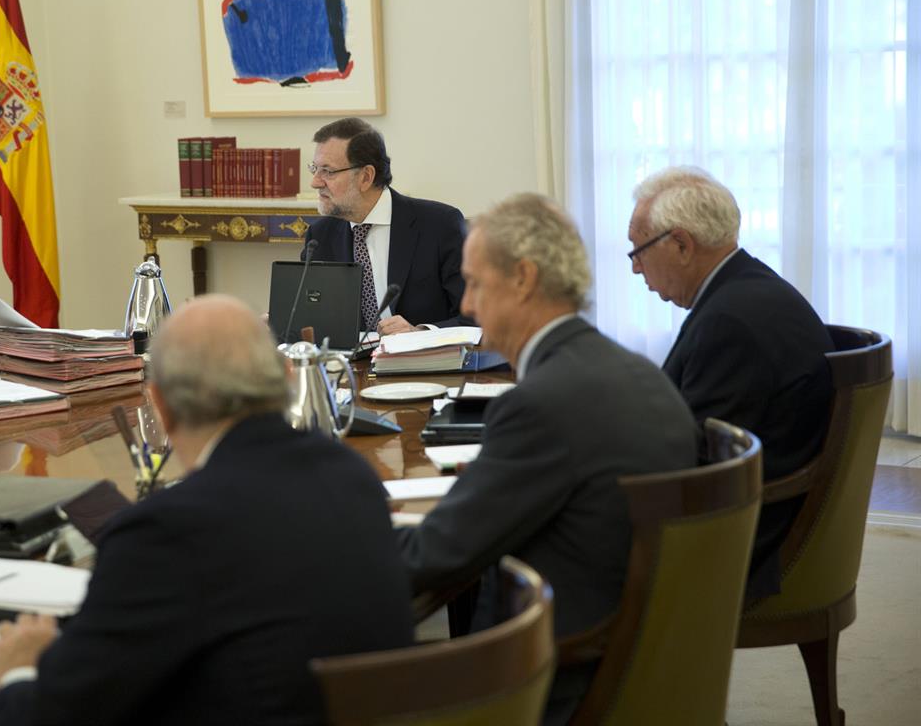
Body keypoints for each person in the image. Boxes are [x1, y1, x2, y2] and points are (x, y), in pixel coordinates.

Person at [0, 295, 414, 726]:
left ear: (160, 406)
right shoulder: (351, 474)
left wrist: (19, 670)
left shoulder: (165, 531)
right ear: (284, 379)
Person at [397, 194, 697, 725]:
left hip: (553, 679)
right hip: (646, 659)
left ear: (523, 279)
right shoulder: (635, 371)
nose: (466, 304)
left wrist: (340, 530)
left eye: (474, 282)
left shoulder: (542, 404)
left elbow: (434, 557)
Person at [627, 166, 835, 597]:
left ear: (681, 243)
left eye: (638, 251)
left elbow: (698, 458)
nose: (635, 269)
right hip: (755, 503)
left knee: (552, 539)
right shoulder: (746, 289)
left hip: (741, 535)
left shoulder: (730, 322)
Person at [303, 117, 468, 334]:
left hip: (425, 364)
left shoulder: (440, 225)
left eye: (328, 171)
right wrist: (281, 322)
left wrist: (420, 333)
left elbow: (475, 317)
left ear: (366, 177)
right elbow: (313, 315)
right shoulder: (320, 236)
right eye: (315, 168)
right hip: (353, 366)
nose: (315, 182)